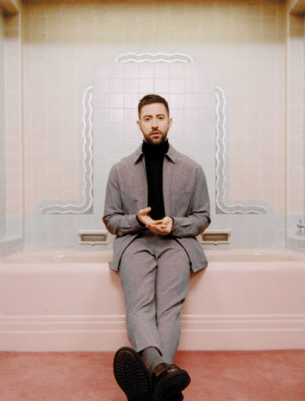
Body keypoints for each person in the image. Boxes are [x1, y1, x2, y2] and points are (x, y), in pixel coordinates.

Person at [102, 94, 211, 401]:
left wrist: (175, 223)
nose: (154, 124)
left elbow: (203, 217)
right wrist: (137, 220)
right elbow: (110, 219)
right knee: (140, 306)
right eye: (148, 118)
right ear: (138, 124)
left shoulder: (192, 169)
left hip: (176, 243)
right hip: (135, 242)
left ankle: (153, 375)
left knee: (168, 310)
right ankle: (164, 376)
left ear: (170, 122)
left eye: (160, 117)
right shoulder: (120, 170)